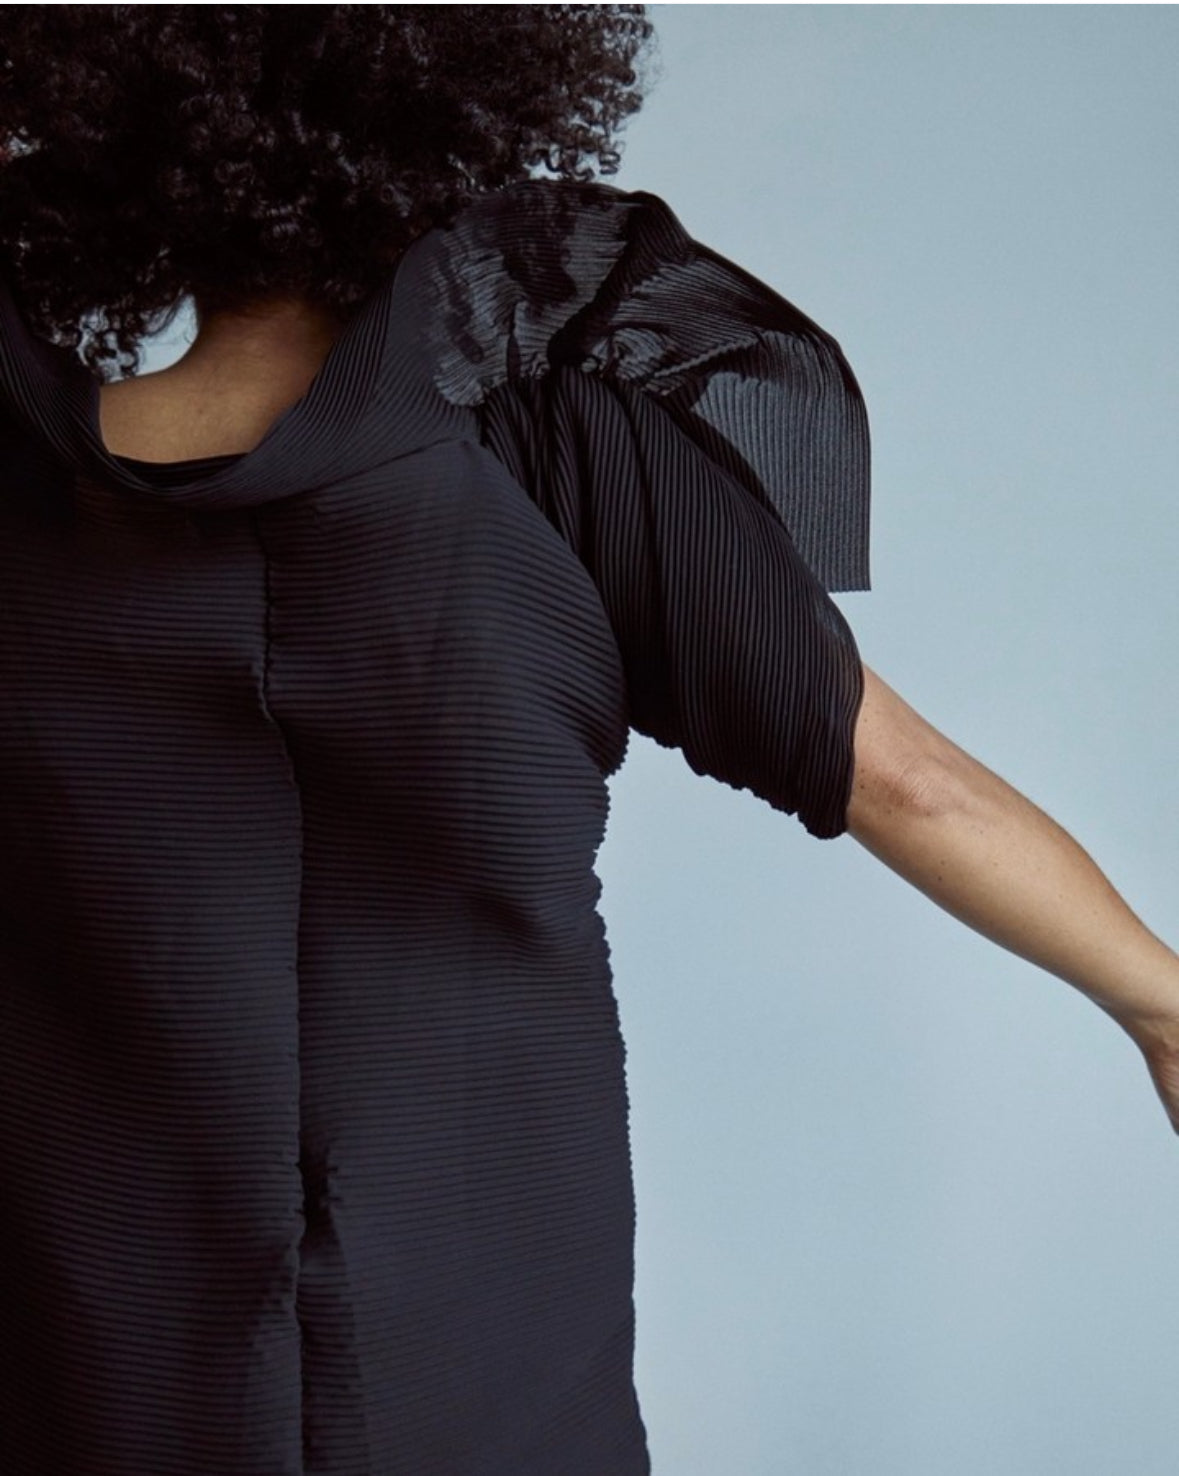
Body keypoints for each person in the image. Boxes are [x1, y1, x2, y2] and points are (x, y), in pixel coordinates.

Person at [0, 7, 1174, 1474]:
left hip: (109, 1347)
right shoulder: (553, 451)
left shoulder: (25, 510)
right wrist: (1163, 1007)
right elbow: (905, 782)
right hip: (483, 1324)